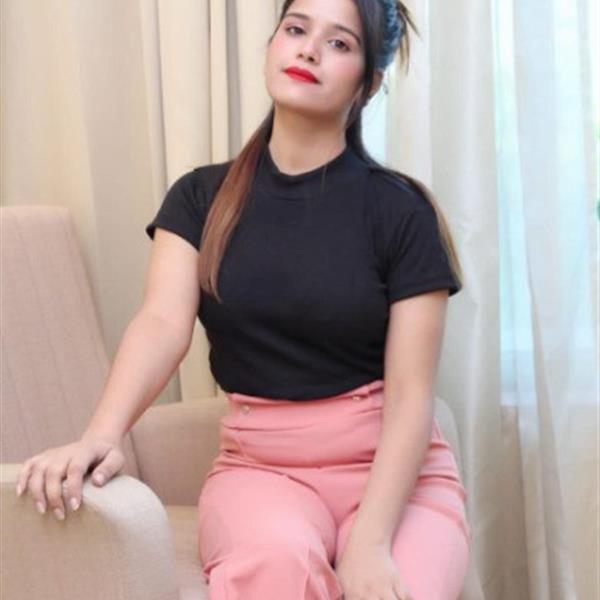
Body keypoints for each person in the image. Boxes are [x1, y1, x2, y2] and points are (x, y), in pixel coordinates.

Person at [15, 0, 471, 598]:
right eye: (296, 29)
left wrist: (371, 543)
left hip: (392, 477)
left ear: (369, 82)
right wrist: (101, 434)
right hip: (263, 473)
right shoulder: (200, 198)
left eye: (340, 43)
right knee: (276, 569)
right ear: (273, 44)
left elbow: (412, 394)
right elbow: (161, 323)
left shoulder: (403, 212)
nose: (309, 49)